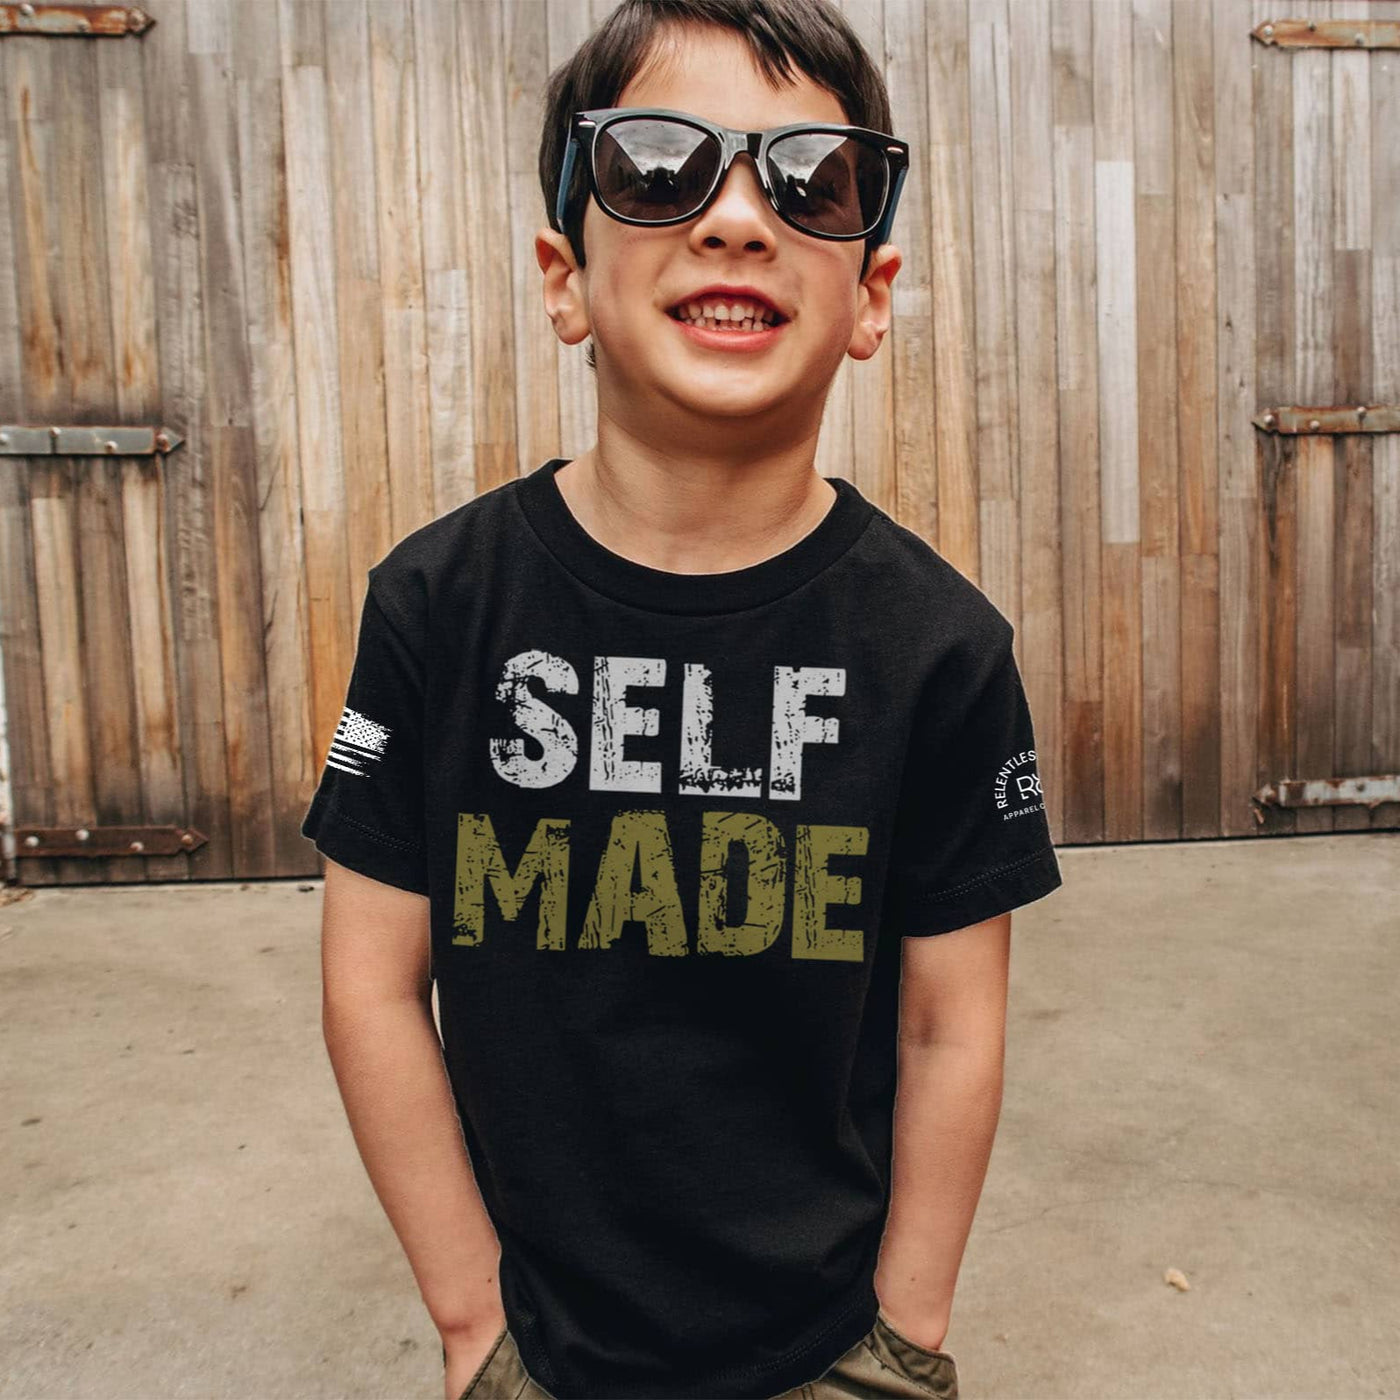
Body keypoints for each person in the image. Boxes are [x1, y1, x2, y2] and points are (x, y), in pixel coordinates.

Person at [302, 2, 1064, 1397]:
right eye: (658, 169)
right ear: (563, 277)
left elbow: (952, 1023)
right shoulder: (439, 606)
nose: (732, 218)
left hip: (828, 1344)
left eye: (806, 181)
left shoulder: (939, 647)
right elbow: (370, 984)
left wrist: (903, 1336)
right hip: (543, 1344)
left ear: (871, 294)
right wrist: (477, 1328)